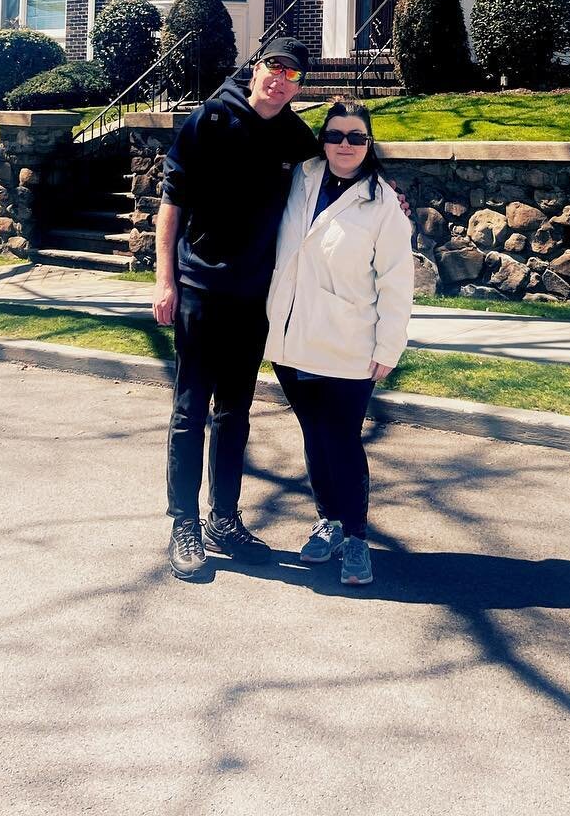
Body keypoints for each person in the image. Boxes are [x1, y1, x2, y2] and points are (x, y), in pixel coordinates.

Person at [154, 35, 319, 581]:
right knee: (190, 411)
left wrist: (385, 190)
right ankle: (184, 524)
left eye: (292, 74)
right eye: (274, 67)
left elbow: (339, 166)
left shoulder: (292, 135)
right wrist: (165, 282)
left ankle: (223, 519)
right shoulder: (208, 120)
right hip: (199, 289)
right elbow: (170, 205)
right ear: (256, 70)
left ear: (298, 87)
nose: (279, 79)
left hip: (254, 297)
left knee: (234, 414)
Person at [264, 99, 413, 587]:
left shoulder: (383, 204)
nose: (344, 145)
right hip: (293, 338)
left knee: (342, 440)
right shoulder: (300, 178)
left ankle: (355, 538)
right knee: (314, 434)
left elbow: (396, 282)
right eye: (334, 135)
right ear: (321, 140)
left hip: (349, 343)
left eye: (355, 137)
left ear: (369, 144)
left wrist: (388, 347)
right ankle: (326, 521)